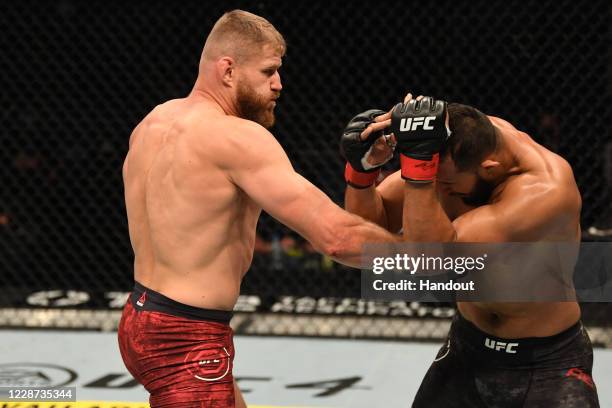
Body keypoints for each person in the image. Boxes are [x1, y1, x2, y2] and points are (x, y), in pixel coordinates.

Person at [117, 10, 399, 408]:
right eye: (268, 71)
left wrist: (361, 172)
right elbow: (337, 239)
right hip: (187, 337)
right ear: (228, 70)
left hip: (141, 315)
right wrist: (448, 266)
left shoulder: (152, 123)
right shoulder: (237, 137)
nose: (279, 84)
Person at [340, 93, 600, 407]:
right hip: (468, 348)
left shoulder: (545, 191)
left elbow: (429, 261)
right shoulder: (456, 150)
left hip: (547, 363)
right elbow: (369, 227)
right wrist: (362, 173)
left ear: (489, 169)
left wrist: (419, 175)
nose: (438, 188)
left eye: (446, 185)